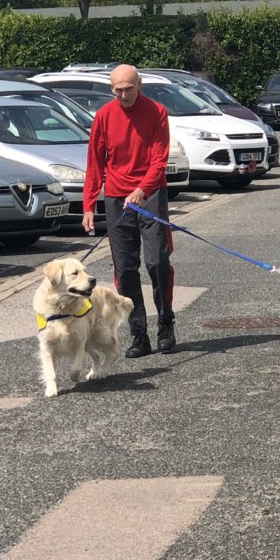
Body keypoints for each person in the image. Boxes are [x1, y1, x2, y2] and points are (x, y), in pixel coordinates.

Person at [82, 64, 176, 357]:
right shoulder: (104, 116)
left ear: (139, 85)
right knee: (125, 269)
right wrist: (88, 205)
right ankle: (139, 334)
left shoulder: (157, 112)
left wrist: (141, 189)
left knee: (157, 261)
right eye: (118, 90)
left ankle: (165, 322)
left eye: (129, 89)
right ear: (111, 89)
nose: (124, 95)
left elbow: (159, 159)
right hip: (116, 197)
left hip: (150, 194)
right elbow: (95, 164)